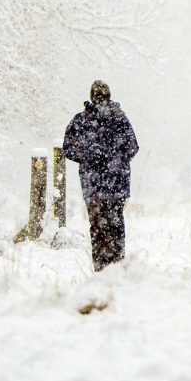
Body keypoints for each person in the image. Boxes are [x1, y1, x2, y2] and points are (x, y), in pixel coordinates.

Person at [62, 80, 139, 271]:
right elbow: (133, 147)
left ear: (91, 96)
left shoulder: (81, 121)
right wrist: (116, 160)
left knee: (97, 227)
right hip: (117, 184)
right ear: (109, 96)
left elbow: (68, 148)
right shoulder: (121, 119)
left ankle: (100, 266)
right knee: (116, 224)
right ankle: (117, 263)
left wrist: (89, 157)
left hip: (93, 185)